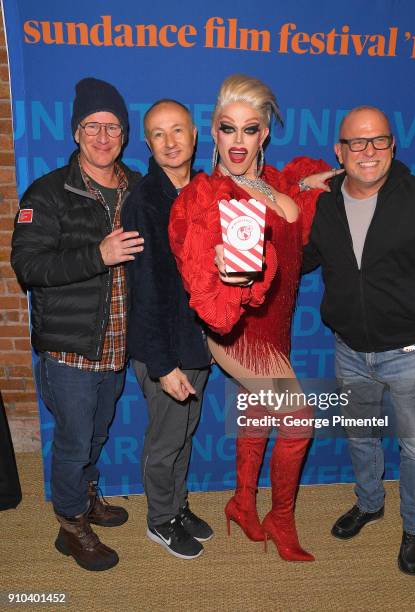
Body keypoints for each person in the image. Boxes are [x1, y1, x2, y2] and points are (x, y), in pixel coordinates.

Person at [169, 74, 335, 562]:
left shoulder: (278, 183)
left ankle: (242, 502)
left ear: (264, 134)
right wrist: (217, 267)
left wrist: (304, 184)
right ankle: (279, 517)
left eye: (249, 129)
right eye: (227, 128)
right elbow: (195, 255)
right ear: (213, 133)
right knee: (298, 420)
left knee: (258, 409)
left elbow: (292, 213)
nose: (237, 141)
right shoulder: (204, 198)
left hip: (277, 326)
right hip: (239, 333)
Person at [302, 106, 415, 575]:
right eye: (357, 142)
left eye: (378, 141)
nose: (368, 151)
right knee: (360, 435)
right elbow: (303, 257)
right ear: (340, 151)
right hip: (349, 349)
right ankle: (369, 503)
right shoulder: (325, 202)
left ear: (393, 145)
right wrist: (299, 191)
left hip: (411, 353)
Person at [11, 78, 144, 572]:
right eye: (93, 126)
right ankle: (70, 526)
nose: (103, 136)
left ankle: (86, 497)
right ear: (75, 132)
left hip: (116, 347)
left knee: (95, 435)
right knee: (72, 441)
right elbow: (28, 267)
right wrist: (97, 255)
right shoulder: (47, 192)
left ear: (125, 134)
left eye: (112, 126)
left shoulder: (136, 188)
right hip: (69, 350)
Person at [121, 99, 212, 560]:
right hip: (164, 350)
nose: (170, 141)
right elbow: (146, 291)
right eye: (158, 133)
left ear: (195, 137)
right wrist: (162, 364)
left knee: (186, 432)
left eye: (178, 130)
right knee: (165, 441)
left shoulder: (204, 192)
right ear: (148, 143)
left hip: (197, 344)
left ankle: (177, 506)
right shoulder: (143, 203)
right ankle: (160, 521)